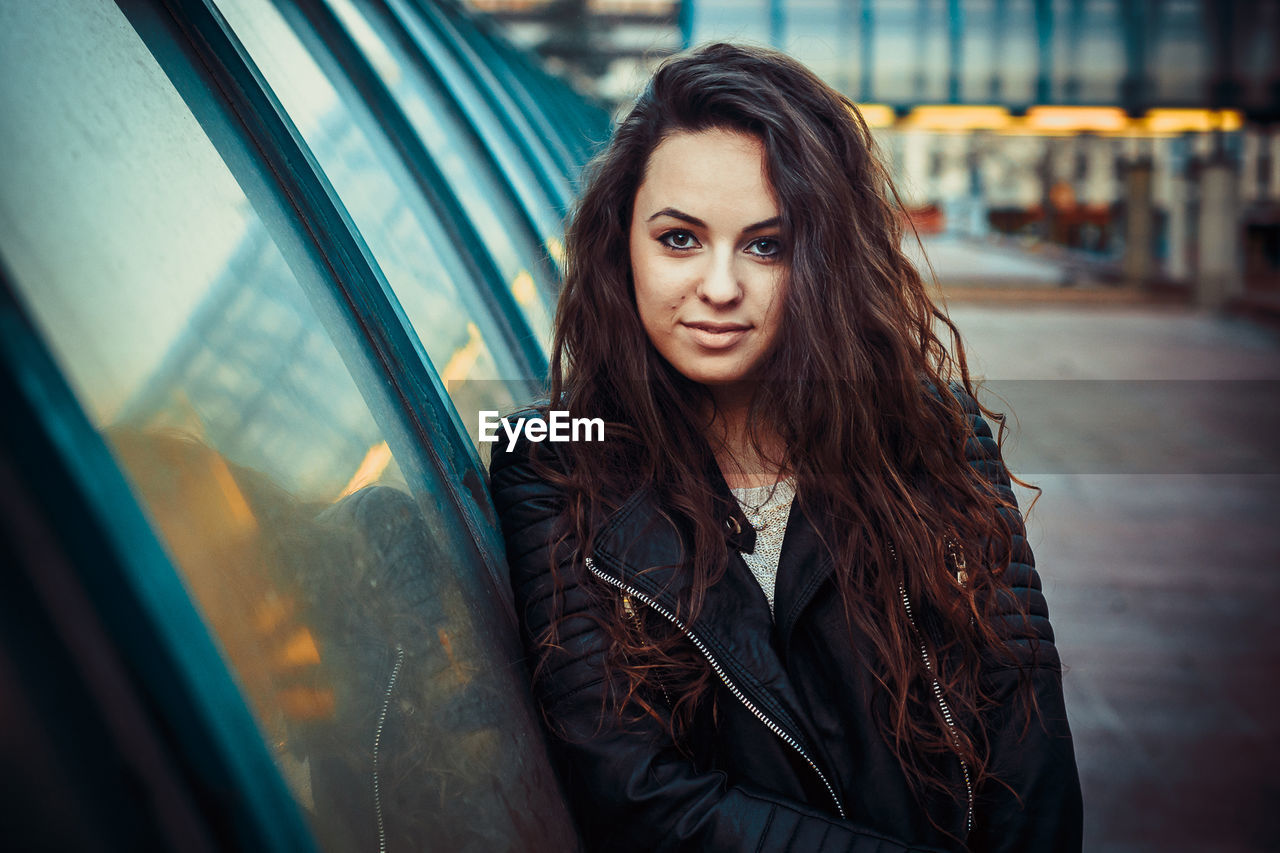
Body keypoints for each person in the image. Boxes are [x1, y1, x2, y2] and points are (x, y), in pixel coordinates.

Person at [488, 43, 1082, 852]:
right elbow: (641, 796)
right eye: (680, 239)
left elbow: (1027, 740)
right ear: (619, 241)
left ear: (824, 261)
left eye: (767, 245)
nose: (722, 286)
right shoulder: (553, 463)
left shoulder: (929, 434)